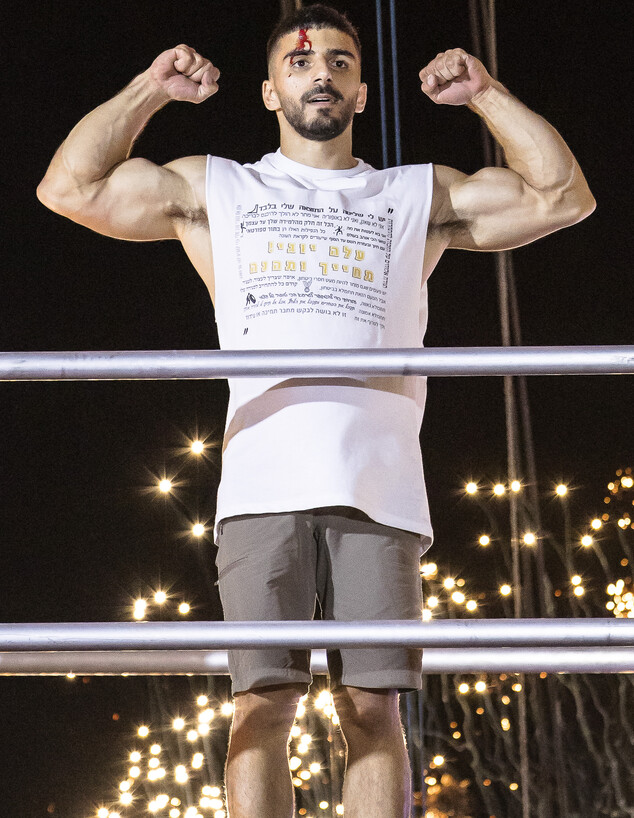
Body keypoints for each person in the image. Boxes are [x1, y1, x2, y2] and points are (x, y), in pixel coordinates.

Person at [36, 4, 594, 816]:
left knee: (372, 707)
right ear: (270, 91)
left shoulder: (412, 193)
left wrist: (484, 93)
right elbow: (69, 187)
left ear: (362, 92)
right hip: (261, 483)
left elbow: (563, 196)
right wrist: (150, 88)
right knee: (261, 706)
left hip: (379, 486)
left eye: (339, 61)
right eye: (299, 63)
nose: (320, 73)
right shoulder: (219, 187)